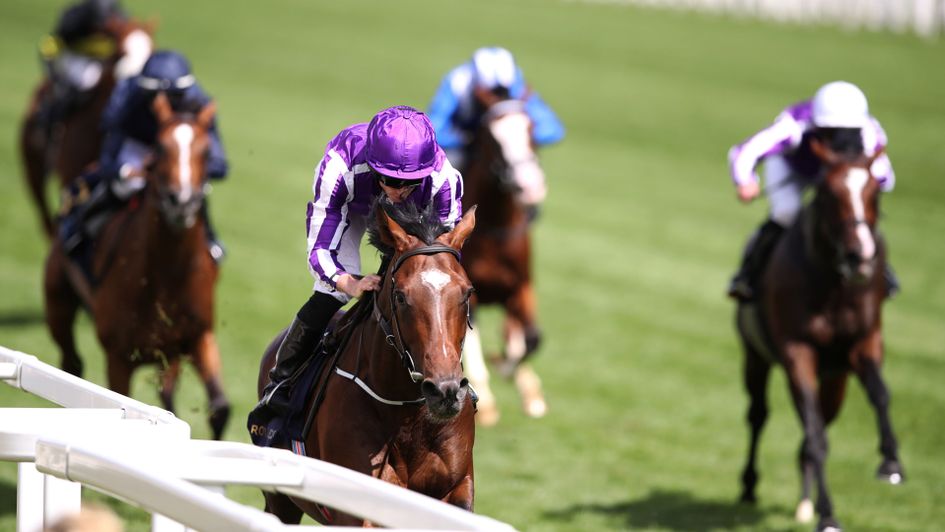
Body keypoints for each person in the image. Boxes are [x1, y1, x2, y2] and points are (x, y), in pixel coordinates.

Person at [252, 105, 463, 420]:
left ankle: (452, 380)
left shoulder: (443, 180)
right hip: (352, 208)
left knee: (433, 296)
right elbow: (321, 249)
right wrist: (347, 282)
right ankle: (280, 382)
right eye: (391, 180)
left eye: (411, 182)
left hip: (416, 225)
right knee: (332, 293)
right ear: (374, 168)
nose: (400, 191)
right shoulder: (339, 167)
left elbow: (444, 259)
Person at [726, 80, 898, 301]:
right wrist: (745, 180)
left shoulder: (869, 133)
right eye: (832, 132)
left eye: (847, 132)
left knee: (856, 215)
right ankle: (748, 272)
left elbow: (885, 176)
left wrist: (863, 185)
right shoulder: (795, 125)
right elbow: (746, 151)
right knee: (787, 212)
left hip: (840, 177)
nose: (840, 138)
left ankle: (880, 268)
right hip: (794, 168)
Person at [60, 49, 229, 262]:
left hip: (177, 150)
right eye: (153, 96)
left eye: (173, 98)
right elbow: (109, 157)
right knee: (119, 187)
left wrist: (190, 168)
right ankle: (79, 231)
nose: (162, 104)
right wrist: (124, 172)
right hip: (138, 147)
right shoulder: (126, 97)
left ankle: (210, 239)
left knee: (191, 191)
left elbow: (220, 165)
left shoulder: (200, 104)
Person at [426, 46, 565, 171]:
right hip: (463, 148)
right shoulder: (457, 84)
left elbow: (552, 129)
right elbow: (433, 131)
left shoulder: (515, 86)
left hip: (504, 150)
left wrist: (516, 136)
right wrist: (467, 139)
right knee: (447, 168)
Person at [36, 0, 147, 132]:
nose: (103, 29)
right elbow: (50, 47)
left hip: (101, 60)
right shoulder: (73, 22)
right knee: (84, 82)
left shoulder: (119, 20)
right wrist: (55, 75)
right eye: (99, 25)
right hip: (74, 55)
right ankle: (54, 119)